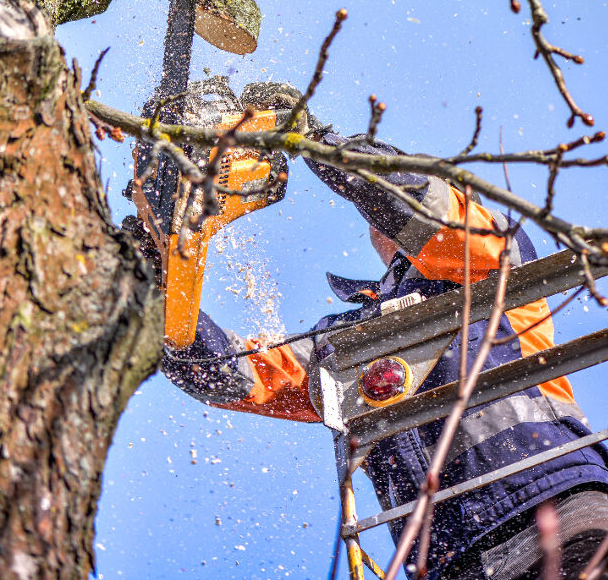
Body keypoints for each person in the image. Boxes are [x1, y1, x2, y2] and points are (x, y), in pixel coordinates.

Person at [160, 129, 608, 580]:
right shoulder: (347, 342)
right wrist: (157, 274)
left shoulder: (493, 259)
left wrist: (314, 138)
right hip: (448, 564)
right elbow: (222, 372)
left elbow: (416, 203)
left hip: (556, 503)